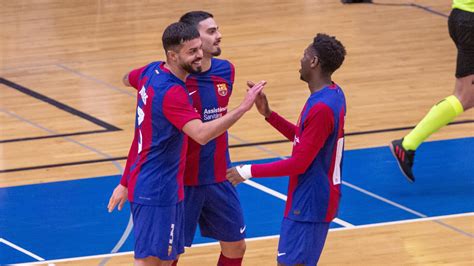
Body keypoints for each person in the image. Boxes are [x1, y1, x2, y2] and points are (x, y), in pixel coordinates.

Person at [108, 21, 265, 266]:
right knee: (154, 261)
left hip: (171, 184)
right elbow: (200, 134)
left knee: (164, 256)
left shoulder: (152, 72)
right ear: (173, 55)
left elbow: (127, 78)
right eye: (192, 51)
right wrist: (244, 107)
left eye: (198, 48)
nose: (199, 54)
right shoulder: (173, 91)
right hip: (159, 187)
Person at [227, 33, 347, 266]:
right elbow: (305, 140)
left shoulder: (322, 107)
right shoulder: (332, 93)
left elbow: (299, 163)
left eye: (305, 55)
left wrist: (247, 171)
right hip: (310, 198)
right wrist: (269, 115)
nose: (300, 60)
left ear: (314, 62)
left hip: (310, 203)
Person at [390, 0, 474, 182]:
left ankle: (408, 144)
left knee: (466, 96)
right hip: (470, 21)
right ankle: (407, 144)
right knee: (464, 97)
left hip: (461, 16)